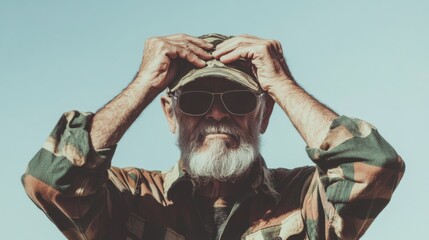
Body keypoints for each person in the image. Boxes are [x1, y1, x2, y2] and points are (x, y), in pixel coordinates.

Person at [22, 33, 405, 240]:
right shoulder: (130, 197)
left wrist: (279, 82)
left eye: (238, 100)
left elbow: (374, 166)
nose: (217, 114)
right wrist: (145, 84)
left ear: (264, 114)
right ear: (171, 115)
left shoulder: (304, 198)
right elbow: (52, 180)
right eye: (195, 100)